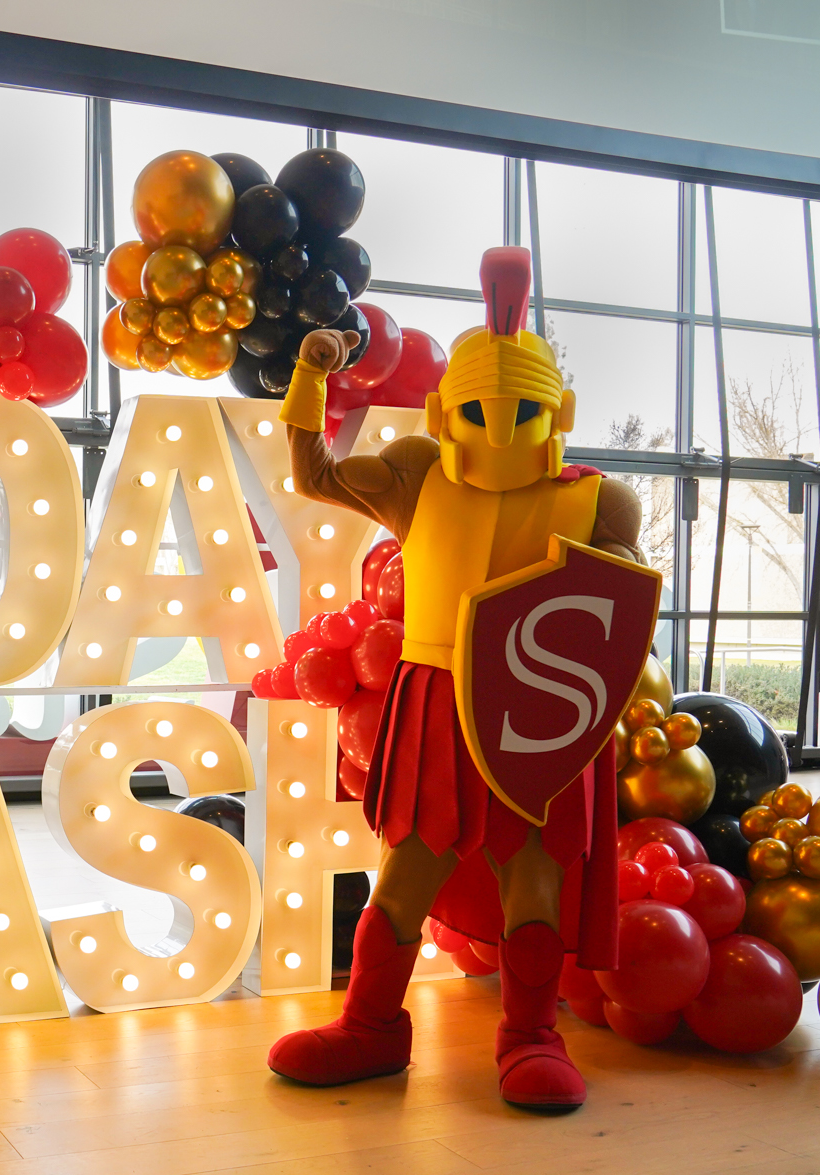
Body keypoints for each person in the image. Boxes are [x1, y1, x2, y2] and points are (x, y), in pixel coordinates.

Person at [267, 247, 644, 1112]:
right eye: (479, 407)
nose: (500, 426)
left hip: (540, 716)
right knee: (409, 869)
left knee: (535, 873)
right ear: (443, 410)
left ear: (562, 411)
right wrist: (309, 374)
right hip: (438, 700)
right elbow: (313, 473)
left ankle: (530, 1034)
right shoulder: (416, 476)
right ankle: (370, 1027)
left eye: (524, 408)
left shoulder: (597, 503)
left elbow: (613, 624)